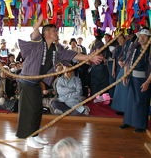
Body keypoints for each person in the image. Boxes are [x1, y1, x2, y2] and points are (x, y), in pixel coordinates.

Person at [16, 13, 103, 148]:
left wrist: (89, 57)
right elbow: (35, 30)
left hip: (36, 83)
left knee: (38, 109)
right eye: (54, 30)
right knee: (30, 110)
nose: (56, 32)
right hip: (27, 81)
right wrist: (41, 16)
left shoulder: (57, 48)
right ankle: (28, 137)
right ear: (47, 33)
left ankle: (35, 135)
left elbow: (72, 54)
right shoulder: (38, 42)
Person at [119, 28, 151, 132]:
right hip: (132, 78)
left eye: (144, 36)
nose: (141, 38)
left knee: (140, 102)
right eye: (140, 36)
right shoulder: (135, 49)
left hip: (143, 80)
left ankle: (140, 125)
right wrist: (125, 75)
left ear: (149, 38)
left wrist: (147, 82)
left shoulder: (149, 51)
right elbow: (128, 63)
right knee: (129, 101)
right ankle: (128, 121)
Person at [111, 32, 137, 114]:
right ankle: (121, 108)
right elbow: (122, 55)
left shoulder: (135, 43)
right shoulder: (127, 44)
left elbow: (130, 57)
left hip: (129, 67)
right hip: (123, 66)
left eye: (130, 35)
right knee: (120, 85)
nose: (129, 36)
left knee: (124, 86)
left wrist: (124, 62)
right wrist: (120, 60)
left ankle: (125, 108)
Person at [89, 29, 109, 96]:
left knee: (95, 82)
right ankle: (99, 97)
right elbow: (98, 52)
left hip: (94, 64)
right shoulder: (99, 43)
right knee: (100, 82)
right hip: (99, 64)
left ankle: (94, 96)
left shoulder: (94, 42)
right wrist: (104, 59)